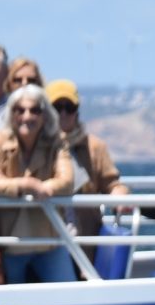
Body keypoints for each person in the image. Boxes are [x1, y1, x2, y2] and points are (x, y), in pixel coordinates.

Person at [0, 85, 80, 284]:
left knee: (67, 298)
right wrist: (26, 184)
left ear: (45, 115)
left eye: (34, 110)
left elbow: (67, 181)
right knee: (14, 304)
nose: (27, 116)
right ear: (12, 113)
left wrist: (46, 188)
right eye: (20, 110)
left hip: (49, 242)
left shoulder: (57, 142)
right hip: (11, 242)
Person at [49, 79, 131, 242]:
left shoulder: (94, 147)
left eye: (69, 108)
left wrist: (120, 196)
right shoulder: (39, 147)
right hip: (48, 239)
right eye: (57, 108)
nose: (63, 113)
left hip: (86, 238)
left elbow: (112, 184)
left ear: (77, 112)